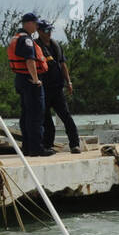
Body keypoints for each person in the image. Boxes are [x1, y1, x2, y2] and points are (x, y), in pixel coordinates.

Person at [7, 12, 51, 156]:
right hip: (29, 80)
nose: (37, 26)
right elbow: (30, 60)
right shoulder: (26, 40)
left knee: (26, 115)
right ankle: (36, 148)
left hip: (20, 79)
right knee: (36, 115)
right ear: (28, 23)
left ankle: (27, 147)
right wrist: (36, 79)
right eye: (35, 23)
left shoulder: (16, 37)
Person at [36, 19, 81, 153]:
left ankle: (75, 144)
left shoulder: (56, 45)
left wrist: (69, 82)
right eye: (46, 30)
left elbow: (62, 64)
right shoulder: (36, 46)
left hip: (57, 88)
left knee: (66, 117)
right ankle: (47, 146)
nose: (49, 33)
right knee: (47, 120)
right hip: (43, 89)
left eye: (50, 30)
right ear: (39, 31)